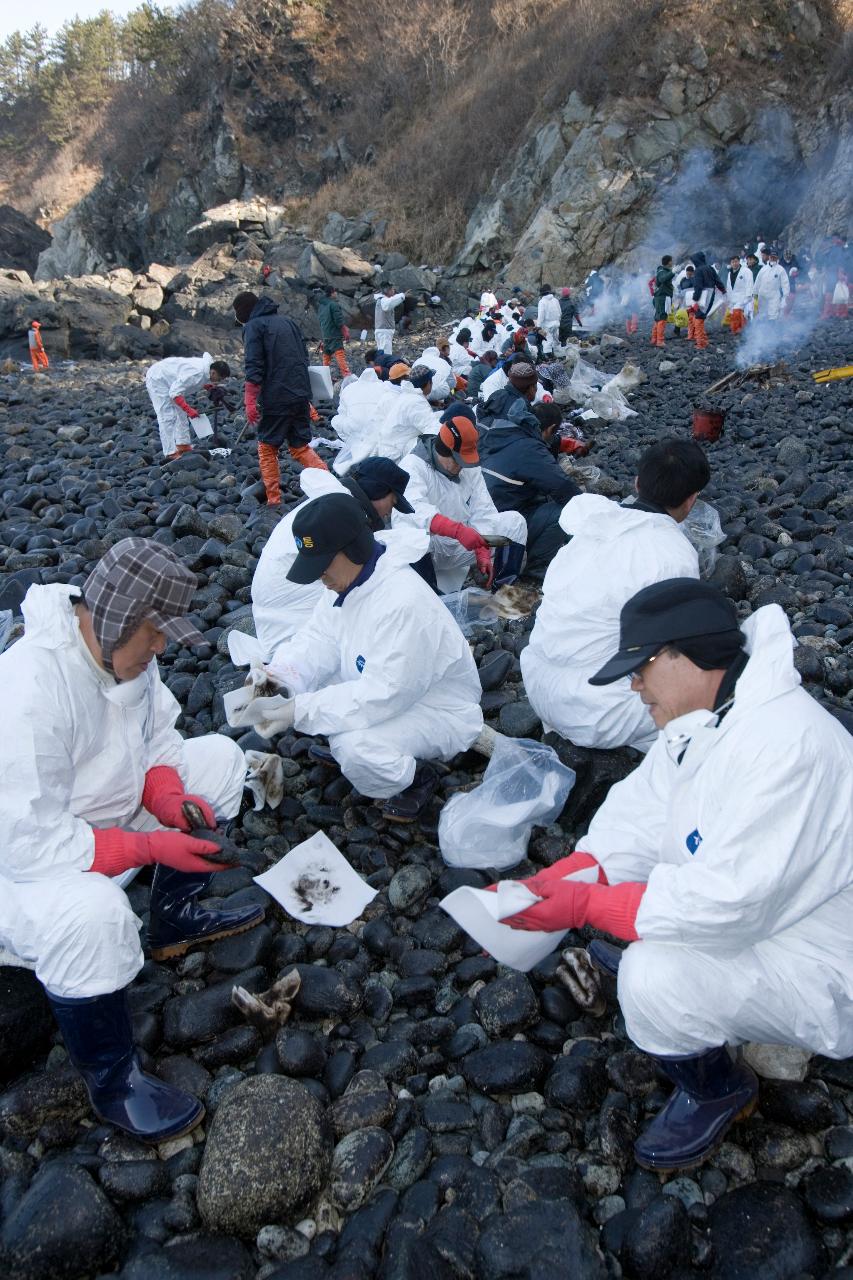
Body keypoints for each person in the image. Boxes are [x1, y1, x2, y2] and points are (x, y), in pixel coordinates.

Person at [501, 577, 853, 1172]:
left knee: (651, 977)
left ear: (687, 656)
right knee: (644, 894)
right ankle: (702, 988)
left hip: (823, 958)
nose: (635, 685)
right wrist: (577, 873)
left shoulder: (787, 747)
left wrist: (587, 907)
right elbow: (641, 812)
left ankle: (717, 1086)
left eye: (642, 668)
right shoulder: (709, 717)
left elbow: (732, 904)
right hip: (766, 916)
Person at [0, 539, 269, 1142]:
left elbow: (157, 740)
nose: (164, 646)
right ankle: (113, 1081)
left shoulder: (124, 655)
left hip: (102, 827)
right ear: (119, 619)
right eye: (155, 632)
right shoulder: (29, 688)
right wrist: (149, 848)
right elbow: (28, 845)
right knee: (93, 916)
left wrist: (171, 801)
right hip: (23, 873)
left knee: (222, 761)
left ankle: (173, 919)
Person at [250, 493, 484, 822]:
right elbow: (318, 638)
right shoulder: (348, 583)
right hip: (386, 687)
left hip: (437, 707)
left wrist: (299, 710)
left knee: (355, 746)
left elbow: (384, 693)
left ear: (353, 549)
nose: (320, 577)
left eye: (322, 566)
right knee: (317, 691)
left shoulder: (401, 603)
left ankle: (416, 777)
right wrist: (280, 678)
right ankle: (362, 744)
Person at [520, 439, 708, 753]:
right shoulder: (672, 553)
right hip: (594, 712)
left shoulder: (594, 524)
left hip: (538, 683)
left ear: (637, 483)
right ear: (691, 501)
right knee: (710, 680)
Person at [251, 458, 415, 656]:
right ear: (378, 492)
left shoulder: (332, 501)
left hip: (269, 616)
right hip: (292, 625)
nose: (389, 513)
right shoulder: (342, 516)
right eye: (393, 502)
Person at [395, 409, 527, 593]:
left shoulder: (468, 468)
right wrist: (456, 530)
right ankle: (432, 600)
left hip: (464, 542)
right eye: (458, 460)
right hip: (431, 549)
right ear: (443, 451)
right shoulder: (413, 466)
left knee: (514, 522)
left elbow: (484, 510)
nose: (462, 467)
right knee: (410, 536)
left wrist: (482, 550)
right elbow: (412, 510)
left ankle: (502, 595)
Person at [233, 291, 328, 508]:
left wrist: (249, 400)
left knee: (267, 447)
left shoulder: (253, 327)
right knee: (300, 446)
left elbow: (254, 365)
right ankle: (328, 485)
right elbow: (303, 357)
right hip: (300, 393)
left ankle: (274, 500)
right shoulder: (288, 322)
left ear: (243, 312)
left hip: (276, 397)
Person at [479, 401, 582, 577]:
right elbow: (564, 488)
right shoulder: (531, 448)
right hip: (499, 528)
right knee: (565, 511)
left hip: (478, 516)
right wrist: (590, 509)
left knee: (546, 498)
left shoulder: (503, 432)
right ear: (550, 429)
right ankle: (537, 568)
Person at [145, 352, 230, 460]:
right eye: (220, 378)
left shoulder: (207, 369)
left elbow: (187, 380)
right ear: (213, 372)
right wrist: (189, 409)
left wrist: (205, 385)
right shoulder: (196, 373)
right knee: (166, 416)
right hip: (158, 378)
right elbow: (175, 393)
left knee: (180, 413)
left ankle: (183, 445)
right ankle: (170, 452)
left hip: (170, 377)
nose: (219, 381)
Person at [688, 252, 726, 350]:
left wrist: (695, 300)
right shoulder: (710, 268)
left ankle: (701, 343)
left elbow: (698, 286)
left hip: (703, 295)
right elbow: (718, 281)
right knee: (701, 317)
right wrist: (723, 290)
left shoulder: (698, 270)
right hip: (711, 293)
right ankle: (704, 340)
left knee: (699, 318)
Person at [317, 285, 351, 379]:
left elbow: (320, 321)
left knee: (326, 356)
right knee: (339, 354)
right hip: (334, 335)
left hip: (325, 335)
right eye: (335, 292)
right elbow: (339, 321)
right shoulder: (334, 305)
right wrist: (345, 331)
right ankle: (347, 375)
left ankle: (325, 377)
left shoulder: (321, 306)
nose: (336, 294)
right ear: (332, 293)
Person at [753, 248, 790, 323]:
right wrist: (755, 295)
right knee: (762, 314)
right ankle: (762, 332)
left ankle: (772, 332)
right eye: (771, 257)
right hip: (762, 296)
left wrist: (785, 297)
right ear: (769, 257)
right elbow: (757, 282)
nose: (772, 258)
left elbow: (785, 284)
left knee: (773, 315)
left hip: (774, 296)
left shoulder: (780, 269)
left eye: (774, 257)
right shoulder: (763, 269)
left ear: (777, 258)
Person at [373, 281, 407, 355]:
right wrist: (402, 296)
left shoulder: (382, 299)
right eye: (392, 289)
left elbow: (391, 301)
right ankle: (386, 366)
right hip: (384, 331)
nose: (394, 291)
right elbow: (390, 303)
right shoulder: (383, 300)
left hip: (382, 330)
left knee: (382, 352)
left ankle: (382, 365)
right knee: (386, 353)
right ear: (386, 290)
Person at [725, 254, 752, 335]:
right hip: (733, 298)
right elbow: (729, 287)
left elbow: (749, 284)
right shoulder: (729, 274)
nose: (734, 263)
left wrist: (748, 296)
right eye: (732, 262)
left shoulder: (746, 271)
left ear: (739, 262)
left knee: (737, 312)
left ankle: (736, 330)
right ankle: (742, 329)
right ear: (730, 263)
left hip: (743, 297)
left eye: (736, 261)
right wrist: (728, 299)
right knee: (734, 314)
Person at [650, 256, 674, 347]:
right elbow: (662, 279)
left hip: (661, 297)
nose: (672, 262)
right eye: (671, 261)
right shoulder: (662, 272)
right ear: (668, 262)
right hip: (662, 298)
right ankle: (660, 341)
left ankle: (654, 339)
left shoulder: (662, 271)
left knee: (658, 317)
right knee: (662, 317)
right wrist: (673, 272)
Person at [536, 285, 562, 353]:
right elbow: (560, 312)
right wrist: (558, 320)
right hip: (556, 324)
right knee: (556, 341)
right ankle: (558, 356)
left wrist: (538, 326)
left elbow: (541, 315)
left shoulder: (542, 302)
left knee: (547, 342)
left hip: (547, 325)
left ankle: (548, 359)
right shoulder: (555, 300)